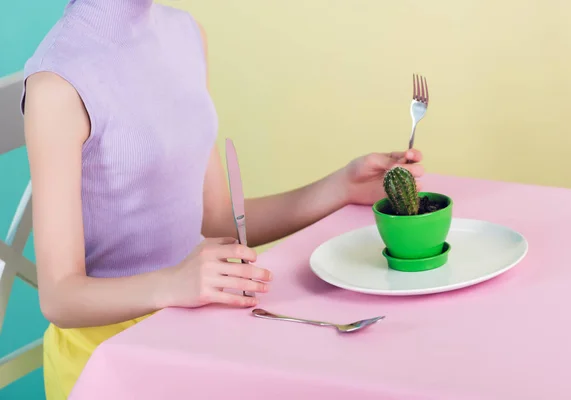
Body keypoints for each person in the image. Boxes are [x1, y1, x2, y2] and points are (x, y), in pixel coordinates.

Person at [21, 0, 425, 398]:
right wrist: (172, 284)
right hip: (108, 362)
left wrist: (340, 188)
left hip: (197, 329)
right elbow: (61, 298)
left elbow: (214, 221)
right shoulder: (57, 83)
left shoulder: (185, 33)